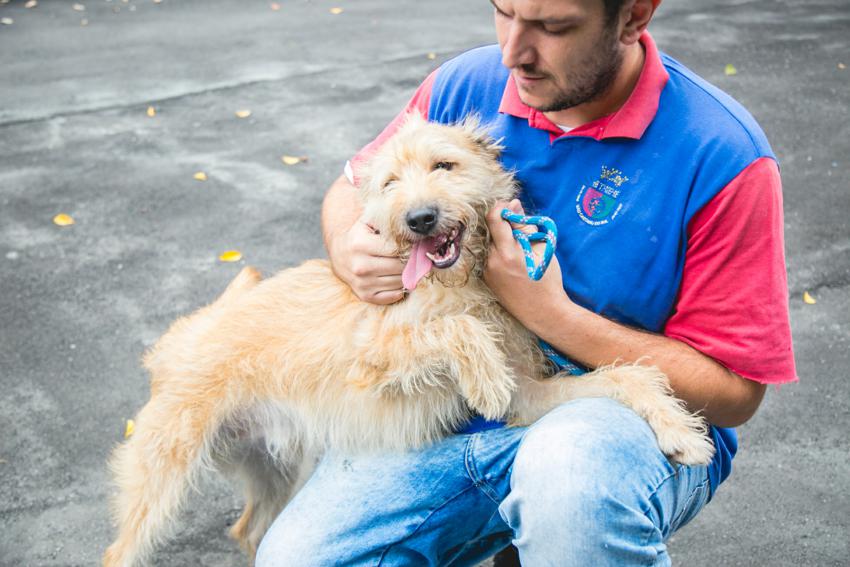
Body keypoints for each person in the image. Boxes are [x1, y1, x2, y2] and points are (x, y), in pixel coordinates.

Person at [256, 0, 798, 564]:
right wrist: (351, 248)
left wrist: (552, 315)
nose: (513, 52)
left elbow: (735, 394)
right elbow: (355, 185)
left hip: (616, 423)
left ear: (634, 16)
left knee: (568, 482)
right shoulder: (465, 83)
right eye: (503, 11)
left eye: (553, 26)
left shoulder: (722, 153)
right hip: (455, 409)